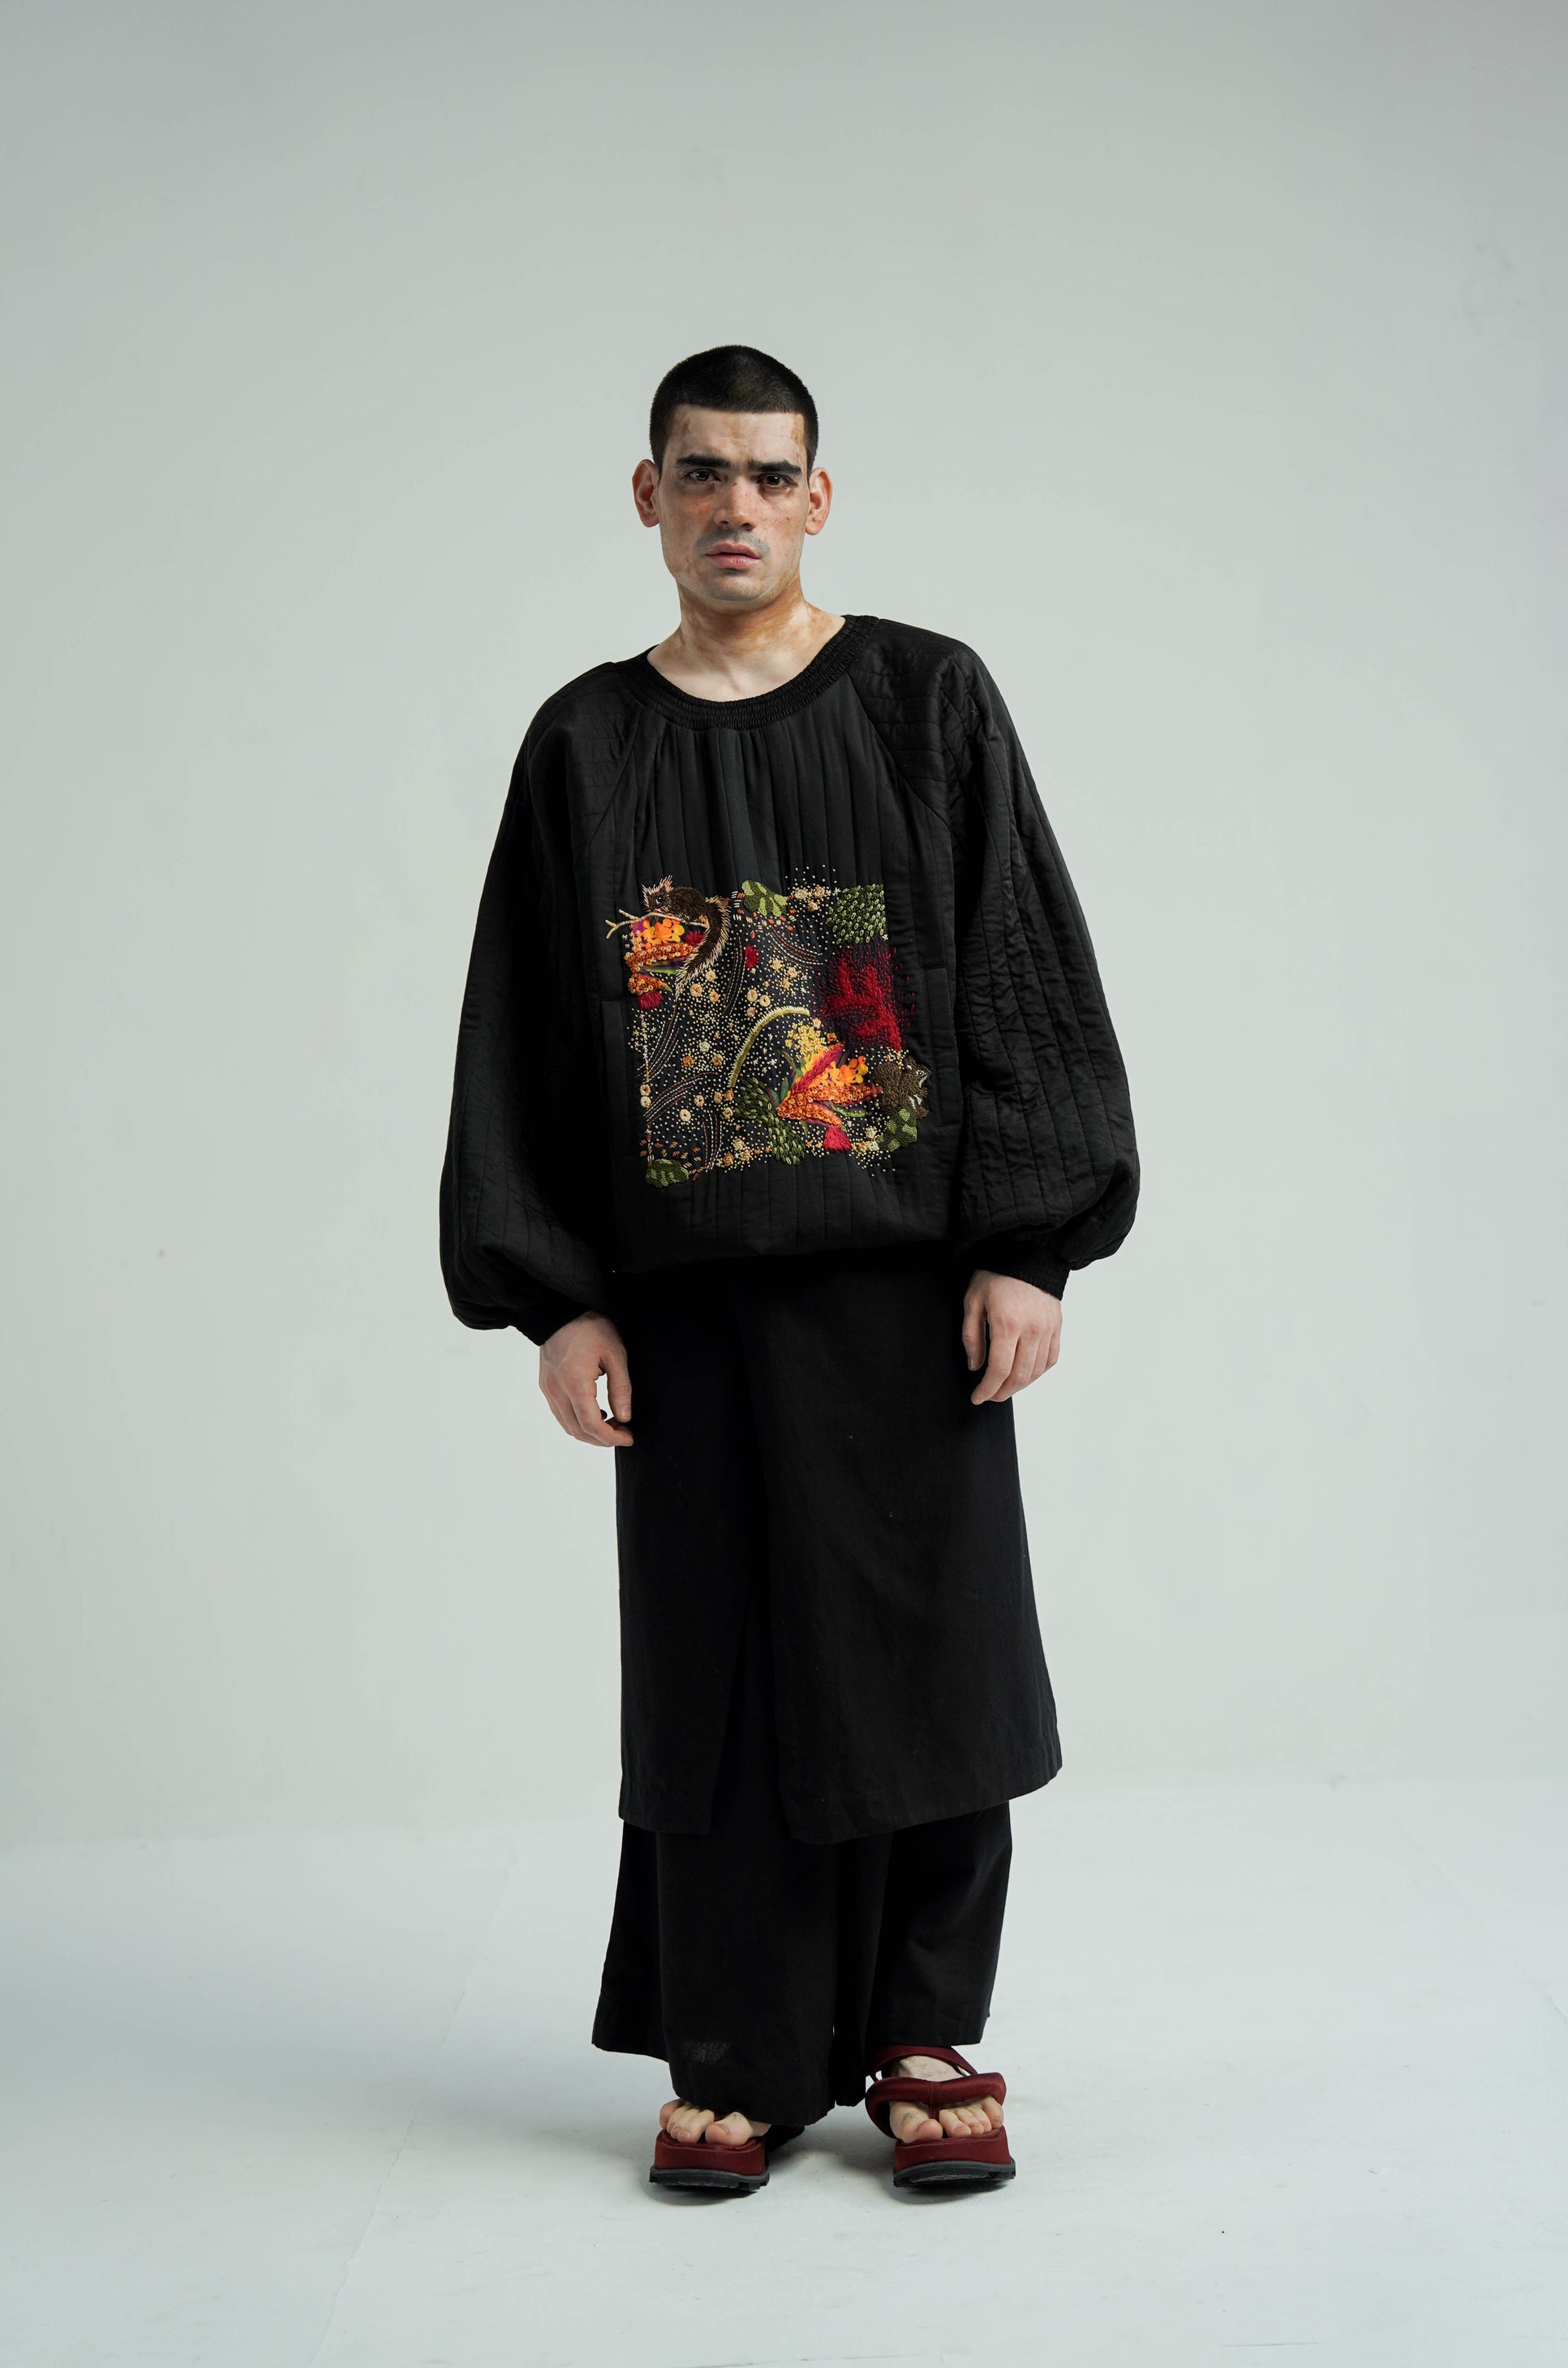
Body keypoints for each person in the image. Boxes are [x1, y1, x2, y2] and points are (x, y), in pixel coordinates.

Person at [440, 344, 1139, 2194]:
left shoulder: (924, 699)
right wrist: (556, 1293)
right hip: (683, 1305)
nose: (734, 506)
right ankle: (738, 2047)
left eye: (768, 475)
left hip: (905, 1294)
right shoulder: (585, 744)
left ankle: (921, 2031)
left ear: (818, 498)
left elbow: (1016, 957)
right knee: (718, 1673)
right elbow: (524, 1028)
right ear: (649, 496)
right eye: (700, 473)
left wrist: (1028, 1242)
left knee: (928, 1660)